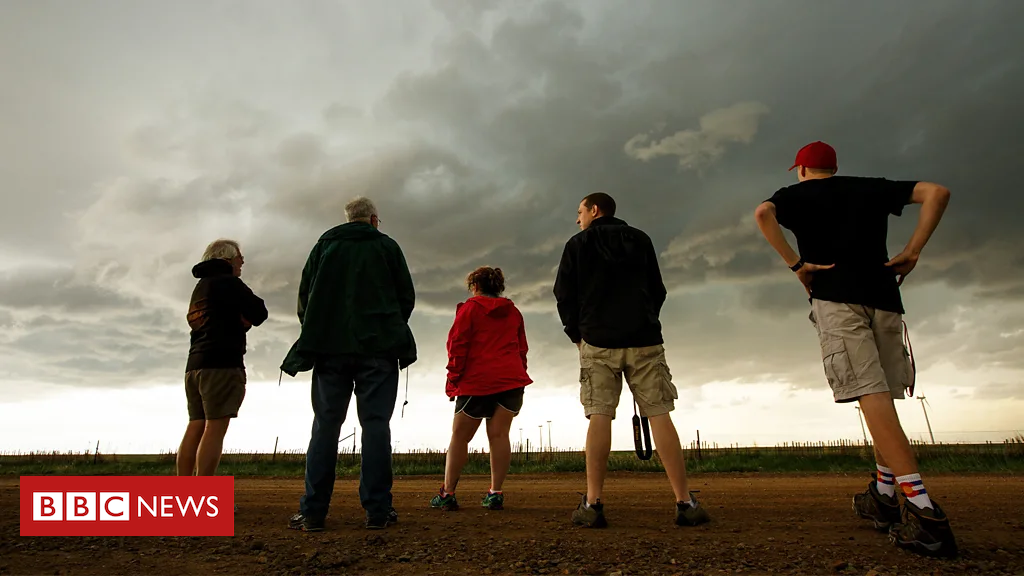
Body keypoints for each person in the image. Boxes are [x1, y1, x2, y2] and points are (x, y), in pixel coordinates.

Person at [754, 141, 956, 558]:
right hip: (884, 297)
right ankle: (884, 495)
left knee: (870, 395)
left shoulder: (793, 196)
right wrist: (913, 250)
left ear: (803, 169)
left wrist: (796, 265)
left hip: (836, 300)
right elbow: (937, 192)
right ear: (834, 167)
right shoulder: (870, 187)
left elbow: (762, 214)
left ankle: (925, 514)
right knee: (883, 397)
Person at [553, 192, 711, 529]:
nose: (577, 218)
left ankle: (593, 503)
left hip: (597, 341)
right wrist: (646, 319)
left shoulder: (577, 244)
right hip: (644, 339)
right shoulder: (641, 239)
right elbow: (658, 289)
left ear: (595, 210)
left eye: (579, 211)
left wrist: (576, 334)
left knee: (599, 415)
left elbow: (563, 294)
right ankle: (685, 502)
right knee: (659, 414)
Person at [281, 196, 417, 532]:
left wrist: (320, 332)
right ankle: (378, 511)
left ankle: (313, 513)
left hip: (330, 351)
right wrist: (387, 328)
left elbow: (305, 298)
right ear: (373, 219)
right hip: (379, 351)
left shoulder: (325, 246)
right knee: (375, 427)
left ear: (347, 219)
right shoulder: (387, 247)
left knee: (325, 427)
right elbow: (405, 297)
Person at [430, 266, 532, 512]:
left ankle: (448, 493)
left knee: (460, 437)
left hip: (477, 382)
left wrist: (454, 378)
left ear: (474, 286)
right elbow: (522, 349)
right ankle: (495, 493)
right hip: (511, 381)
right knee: (499, 436)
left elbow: (457, 345)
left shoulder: (469, 310)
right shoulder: (514, 312)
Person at [178, 239, 268, 478]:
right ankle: (203, 497)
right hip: (222, 364)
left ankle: (182, 494)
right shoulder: (229, 283)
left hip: (194, 365)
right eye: (239, 257)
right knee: (215, 428)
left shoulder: (201, 287)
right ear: (227, 260)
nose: (242, 262)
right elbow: (259, 311)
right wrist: (243, 321)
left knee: (195, 425)